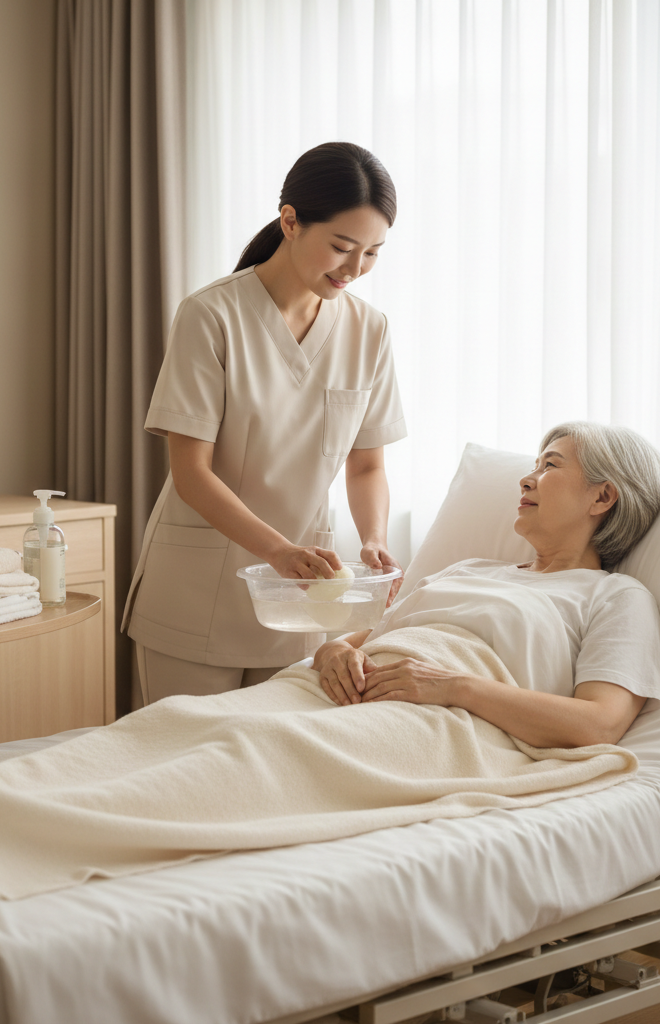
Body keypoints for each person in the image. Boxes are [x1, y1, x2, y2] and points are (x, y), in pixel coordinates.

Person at [122, 142, 407, 704]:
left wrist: (373, 539)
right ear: (291, 222)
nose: (355, 269)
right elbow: (191, 472)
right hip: (199, 589)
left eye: (372, 252)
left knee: (270, 775)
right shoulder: (212, 316)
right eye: (343, 248)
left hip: (299, 600)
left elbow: (368, 462)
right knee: (178, 770)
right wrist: (277, 552)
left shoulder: (369, 330)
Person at [314, 422, 660, 748]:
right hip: (334, 700)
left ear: (602, 497)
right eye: (534, 466)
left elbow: (599, 724)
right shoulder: (467, 570)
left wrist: (452, 687)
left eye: (550, 466)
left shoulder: (617, 597)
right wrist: (334, 653)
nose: (527, 480)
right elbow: (365, 638)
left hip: (428, 728)